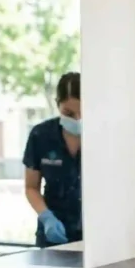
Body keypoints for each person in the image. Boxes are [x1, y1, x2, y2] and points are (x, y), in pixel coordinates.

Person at [24, 72, 82, 247]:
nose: (77, 119)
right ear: (58, 105)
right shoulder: (41, 136)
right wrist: (46, 217)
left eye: (82, 112)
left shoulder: (104, 136)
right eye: (69, 113)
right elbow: (31, 187)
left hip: (95, 234)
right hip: (53, 235)